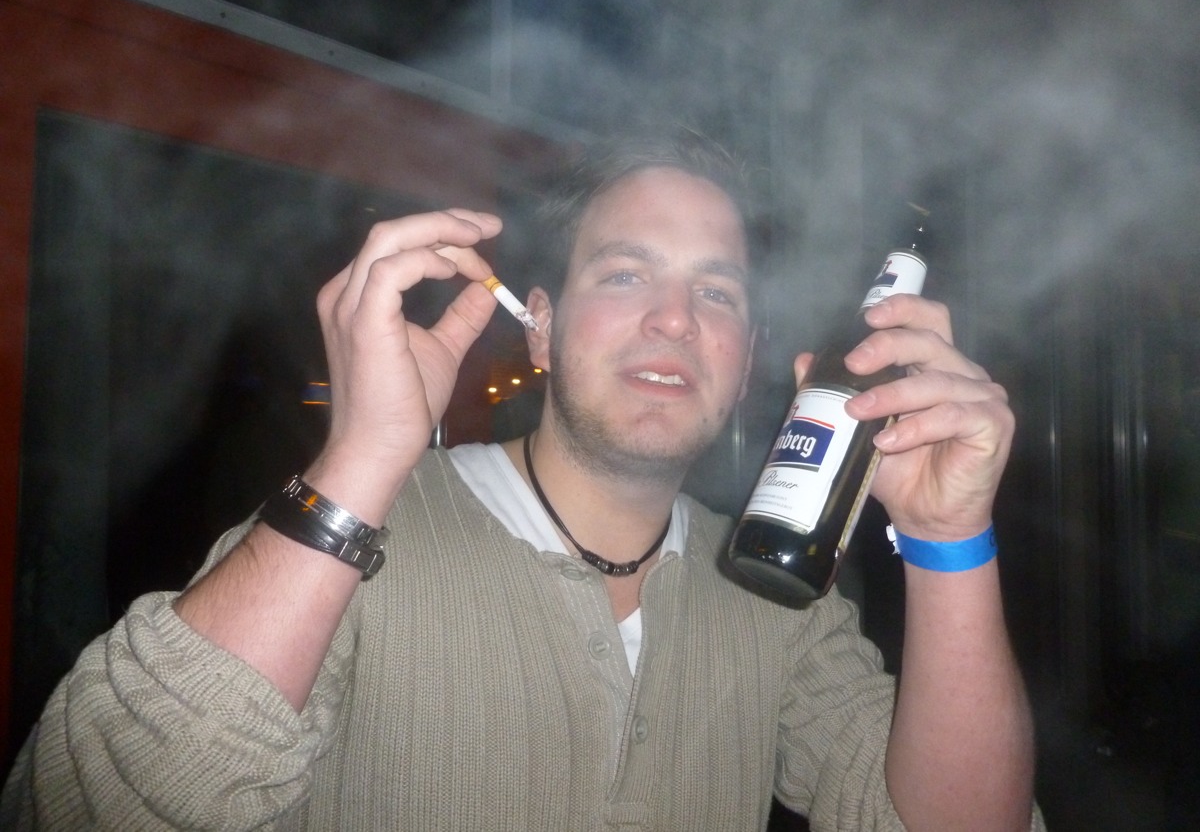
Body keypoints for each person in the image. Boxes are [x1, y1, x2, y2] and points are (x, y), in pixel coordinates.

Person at [1, 130, 1041, 830]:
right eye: (625, 274)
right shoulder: (357, 537)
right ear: (539, 326)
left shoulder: (777, 600)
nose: (673, 320)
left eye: (715, 293)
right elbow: (81, 807)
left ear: (748, 361)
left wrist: (950, 538)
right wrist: (363, 458)